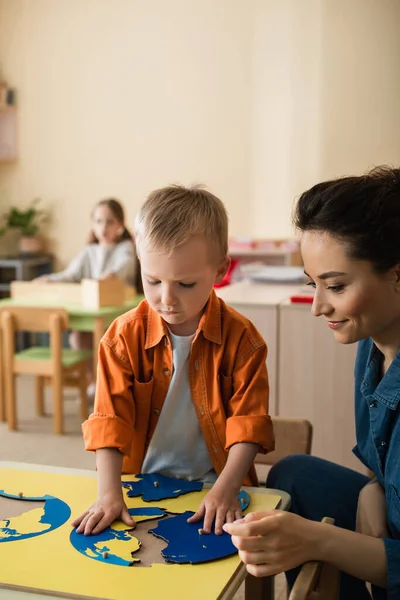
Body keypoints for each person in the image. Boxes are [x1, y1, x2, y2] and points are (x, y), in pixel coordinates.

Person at [224, 166, 400, 599]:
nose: (318, 306)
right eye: (312, 284)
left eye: (336, 286)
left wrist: (319, 540)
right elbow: (383, 464)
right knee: (292, 473)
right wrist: (373, 490)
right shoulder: (372, 345)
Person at [72, 184, 274, 537]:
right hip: (140, 482)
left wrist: (224, 489)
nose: (166, 299)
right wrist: (108, 493)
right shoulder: (122, 337)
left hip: (218, 485)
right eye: (152, 280)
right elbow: (109, 420)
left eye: (185, 283)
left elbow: (248, 424)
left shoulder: (244, 340)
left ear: (220, 270)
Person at [36, 198, 136, 396]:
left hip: (117, 309)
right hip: (93, 310)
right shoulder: (88, 251)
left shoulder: (125, 248)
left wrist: (109, 277)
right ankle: (95, 380)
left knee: (107, 338)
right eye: (99, 221)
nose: (104, 227)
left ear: (120, 225)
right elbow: (70, 274)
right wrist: (48, 279)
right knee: (79, 336)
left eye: (110, 222)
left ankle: (112, 383)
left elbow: (123, 268)